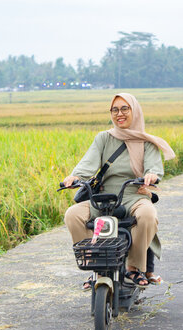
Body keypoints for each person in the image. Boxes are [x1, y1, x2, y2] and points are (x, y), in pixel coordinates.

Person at [63, 93, 175, 288]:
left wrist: (151, 176)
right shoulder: (104, 138)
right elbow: (88, 163)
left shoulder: (147, 142)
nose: (119, 114)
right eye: (115, 110)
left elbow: (154, 168)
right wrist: (75, 177)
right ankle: (95, 265)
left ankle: (134, 268)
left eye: (125, 109)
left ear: (135, 111)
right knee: (73, 215)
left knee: (148, 215)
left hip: (134, 195)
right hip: (104, 198)